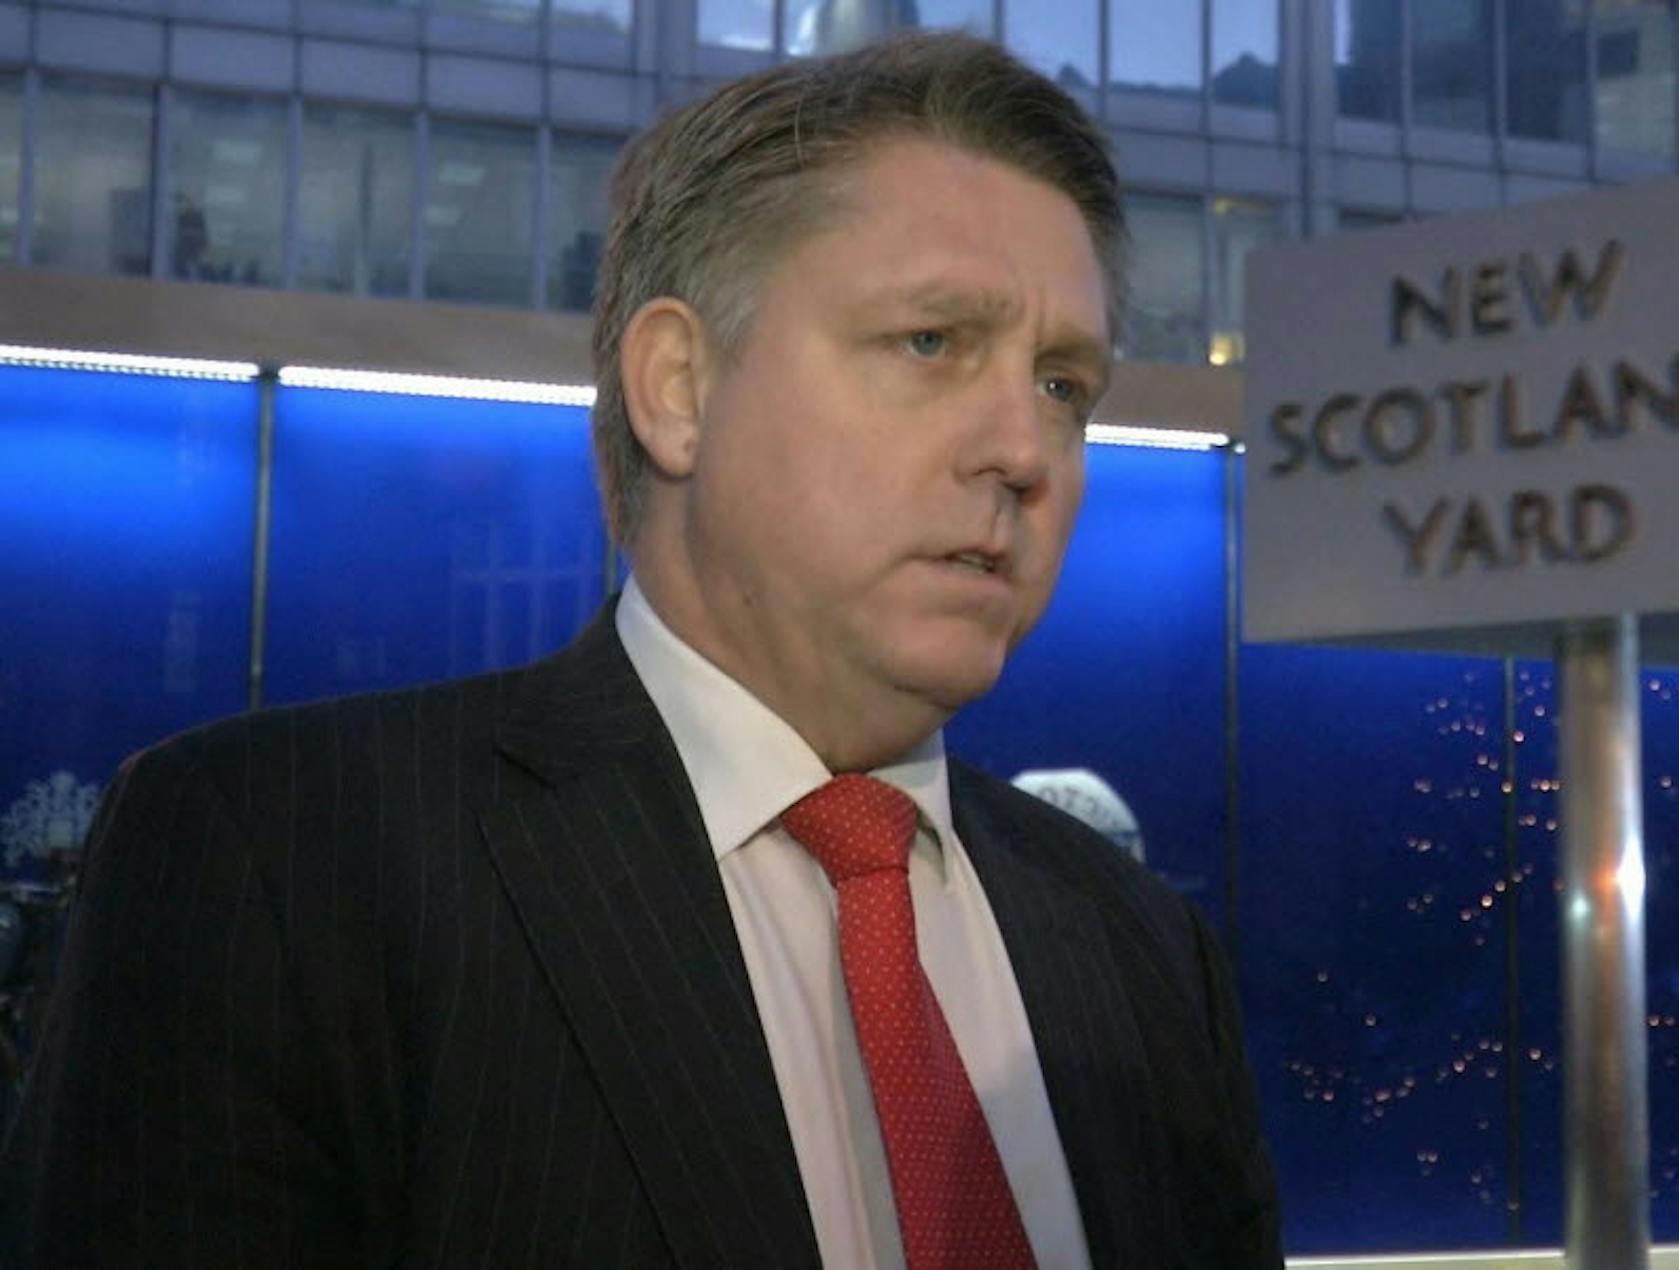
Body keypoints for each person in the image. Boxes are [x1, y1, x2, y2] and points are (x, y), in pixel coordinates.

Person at [0, 32, 1281, 1269]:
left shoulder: (1139, 950)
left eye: (1063, 382)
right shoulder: (281, 860)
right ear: (678, 385)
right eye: (932, 342)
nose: (1022, 446)